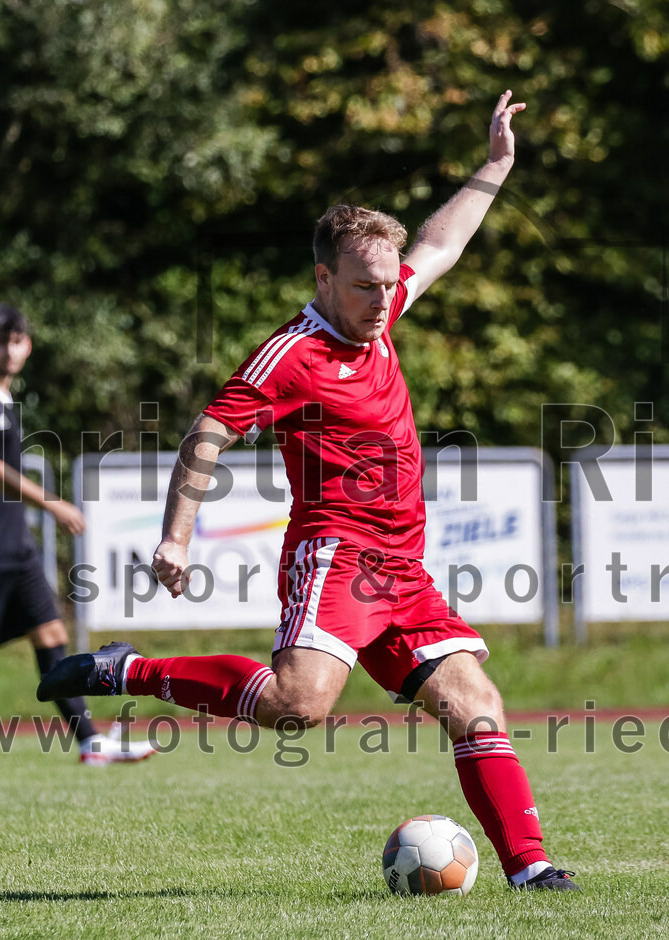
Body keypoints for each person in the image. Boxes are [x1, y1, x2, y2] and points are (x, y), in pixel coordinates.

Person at [40, 92, 578, 889]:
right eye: (364, 287)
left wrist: (495, 167)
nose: (381, 300)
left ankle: (531, 870)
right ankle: (133, 671)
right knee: (300, 706)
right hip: (336, 554)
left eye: (386, 286)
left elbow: (440, 243)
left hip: (404, 566)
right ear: (324, 278)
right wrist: (176, 536)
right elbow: (207, 434)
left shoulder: (382, 309)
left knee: (477, 704)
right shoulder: (290, 355)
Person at [0, 304, 158, 770]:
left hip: (15, 546)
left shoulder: (3, 400)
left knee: (51, 632)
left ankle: (89, 742)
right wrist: (52, 502)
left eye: (18, 340)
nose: (10, 349)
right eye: (1, 340)